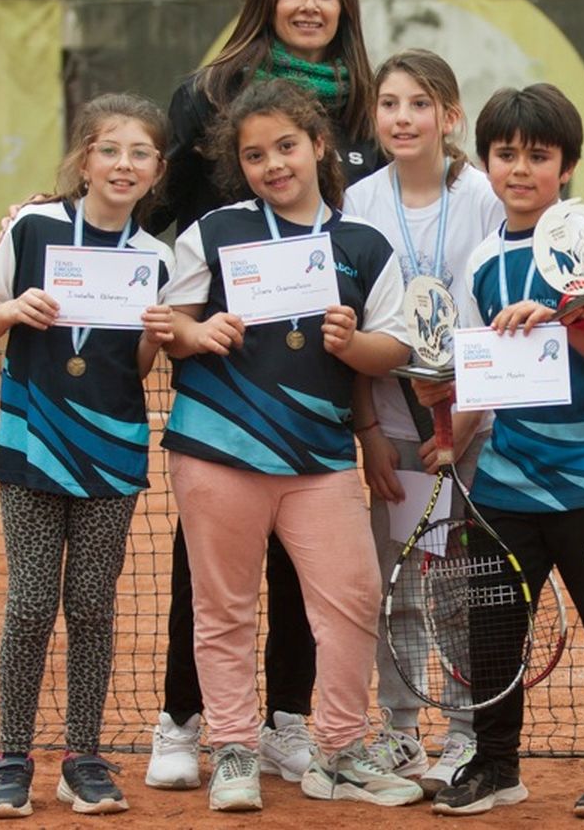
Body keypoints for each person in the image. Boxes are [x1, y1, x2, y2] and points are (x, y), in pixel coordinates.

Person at [144, 0, 385, 791]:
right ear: (267, 0)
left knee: (307, 571)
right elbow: (153, 201)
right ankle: (183, 722)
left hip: (314, 395)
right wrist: (59, 213)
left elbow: (371, 227)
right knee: (210, 576)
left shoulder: (362, 110)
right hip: (225, 392)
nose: (310, 4)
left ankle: (286, 723)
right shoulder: (209, 92)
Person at [160, 80, 418, 813]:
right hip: (216, 453)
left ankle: (336, 751)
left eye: (285, 147)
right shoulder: (213, 232)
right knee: (223, 607)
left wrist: (353, 341)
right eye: (254, 155)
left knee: (353, 598)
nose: (273, 164)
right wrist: (198, 332)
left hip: (320, 462)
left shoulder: (364, 246)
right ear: (238, 166)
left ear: (318, 145)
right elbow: (169, 323)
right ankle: (236, 750)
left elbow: (392, 345)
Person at [413, 84, 584, 819]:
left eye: (539, 155)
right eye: (506, 154)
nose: (521, 168)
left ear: (569, 165)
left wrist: (558, 316)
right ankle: (496, 765)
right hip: (506, 482)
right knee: (492, 629)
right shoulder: (484, 260)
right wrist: (448, 437)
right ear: (486, 161)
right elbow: (475, 373)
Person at [0, 94, 176, 818]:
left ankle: (82, 757)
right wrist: (16, 308)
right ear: (85, 158)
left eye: (140, 153)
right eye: (110, 149)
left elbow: (143, 365)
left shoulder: (158, 257)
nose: (124, 164)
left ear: (157, 171)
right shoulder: (33, 228)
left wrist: (157, 334)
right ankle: (13, 756)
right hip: (31, 445)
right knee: (29, 605)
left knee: (92, 606)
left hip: (111, 453)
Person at [342, 49, 505, 793]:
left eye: (418, 104)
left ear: (449, 115)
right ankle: (401, 732)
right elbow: (345, 333)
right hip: (393, 425)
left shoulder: (484, 198)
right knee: (395, 582)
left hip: (474, 423)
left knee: (461, 586)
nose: (402, 118)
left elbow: (502, 320)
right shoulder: (356, 203)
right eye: (389, 104)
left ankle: (467, 733)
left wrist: (462, 428)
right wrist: (372, 434)